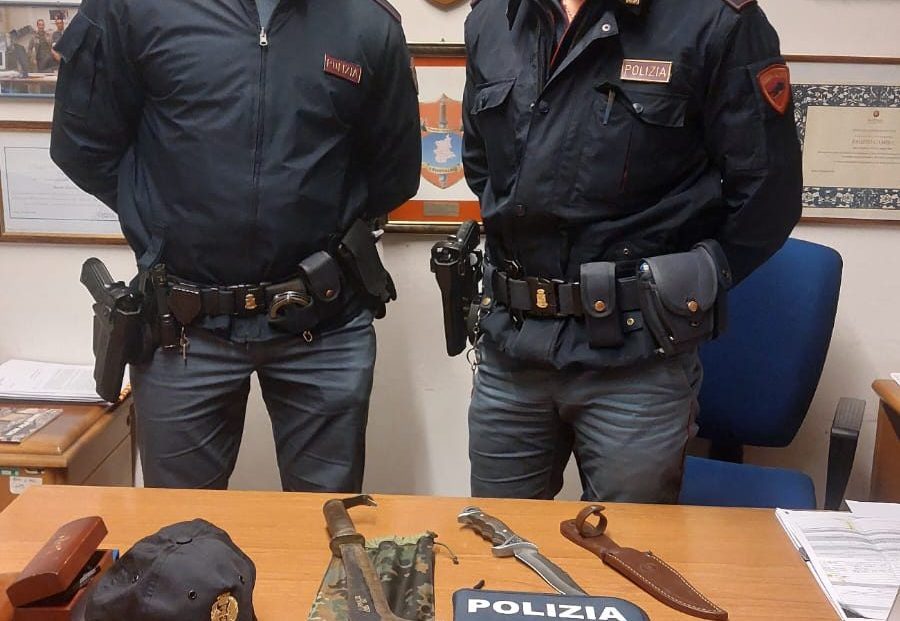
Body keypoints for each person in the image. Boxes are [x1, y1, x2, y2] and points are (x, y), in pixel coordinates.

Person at [51, 0, 420, 492]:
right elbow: (82, 145)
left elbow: (394, 174)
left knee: (329, 522)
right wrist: (163, 222)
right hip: (183, 326)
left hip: (322, 326)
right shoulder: (132, 7)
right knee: (179, 529)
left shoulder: (366, 22)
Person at [462, 0, 802, 502]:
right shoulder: (493, 17)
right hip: (512, 350)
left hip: (636, 358)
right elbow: (482, 168)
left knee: (625, 545)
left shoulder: (714, 20)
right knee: (497, 538)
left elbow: (768, 196)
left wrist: (688, 280)